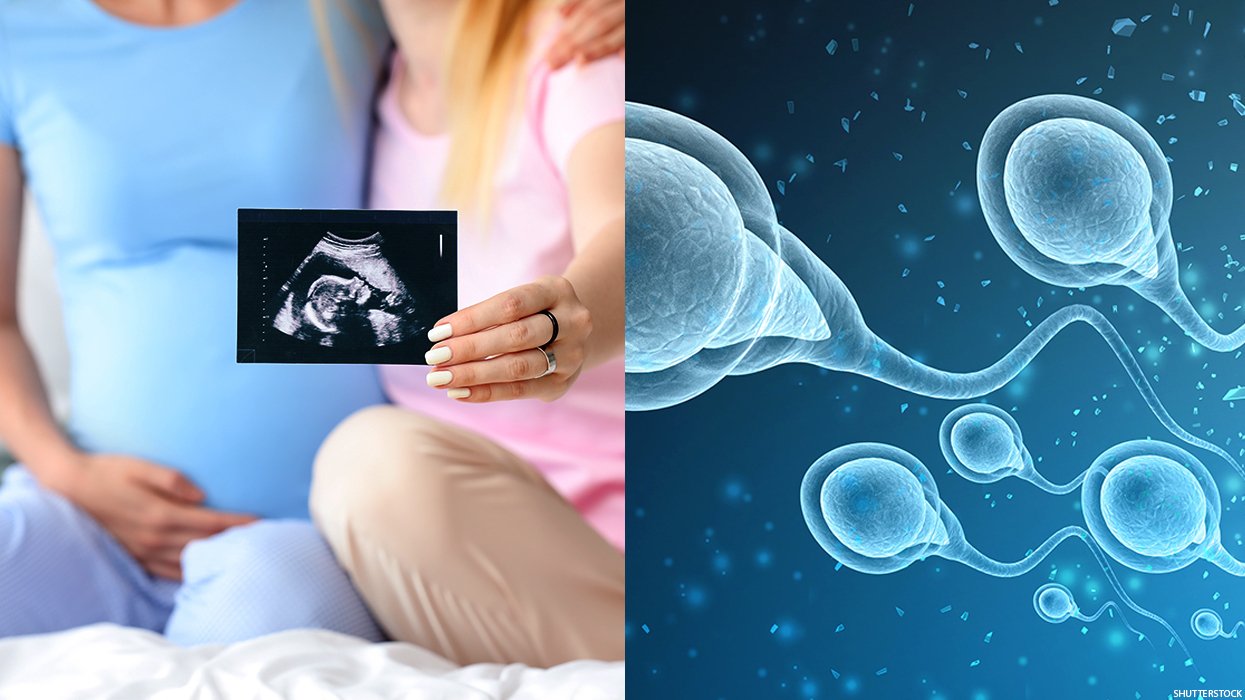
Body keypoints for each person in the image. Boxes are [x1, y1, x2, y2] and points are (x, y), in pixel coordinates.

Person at [0, 0, 621, 644]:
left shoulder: (345, 16)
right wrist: (66, 473)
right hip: (87, 508)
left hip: (301, 534)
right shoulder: (17, 31)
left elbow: (626, 219)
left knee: (247, 639)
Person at [311, 0, 625, 667]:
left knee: (371, 465)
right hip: (456, 555)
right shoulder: (363, 91)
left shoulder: (572, 51)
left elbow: (633, 231)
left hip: (612, 549)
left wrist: (573, 314)